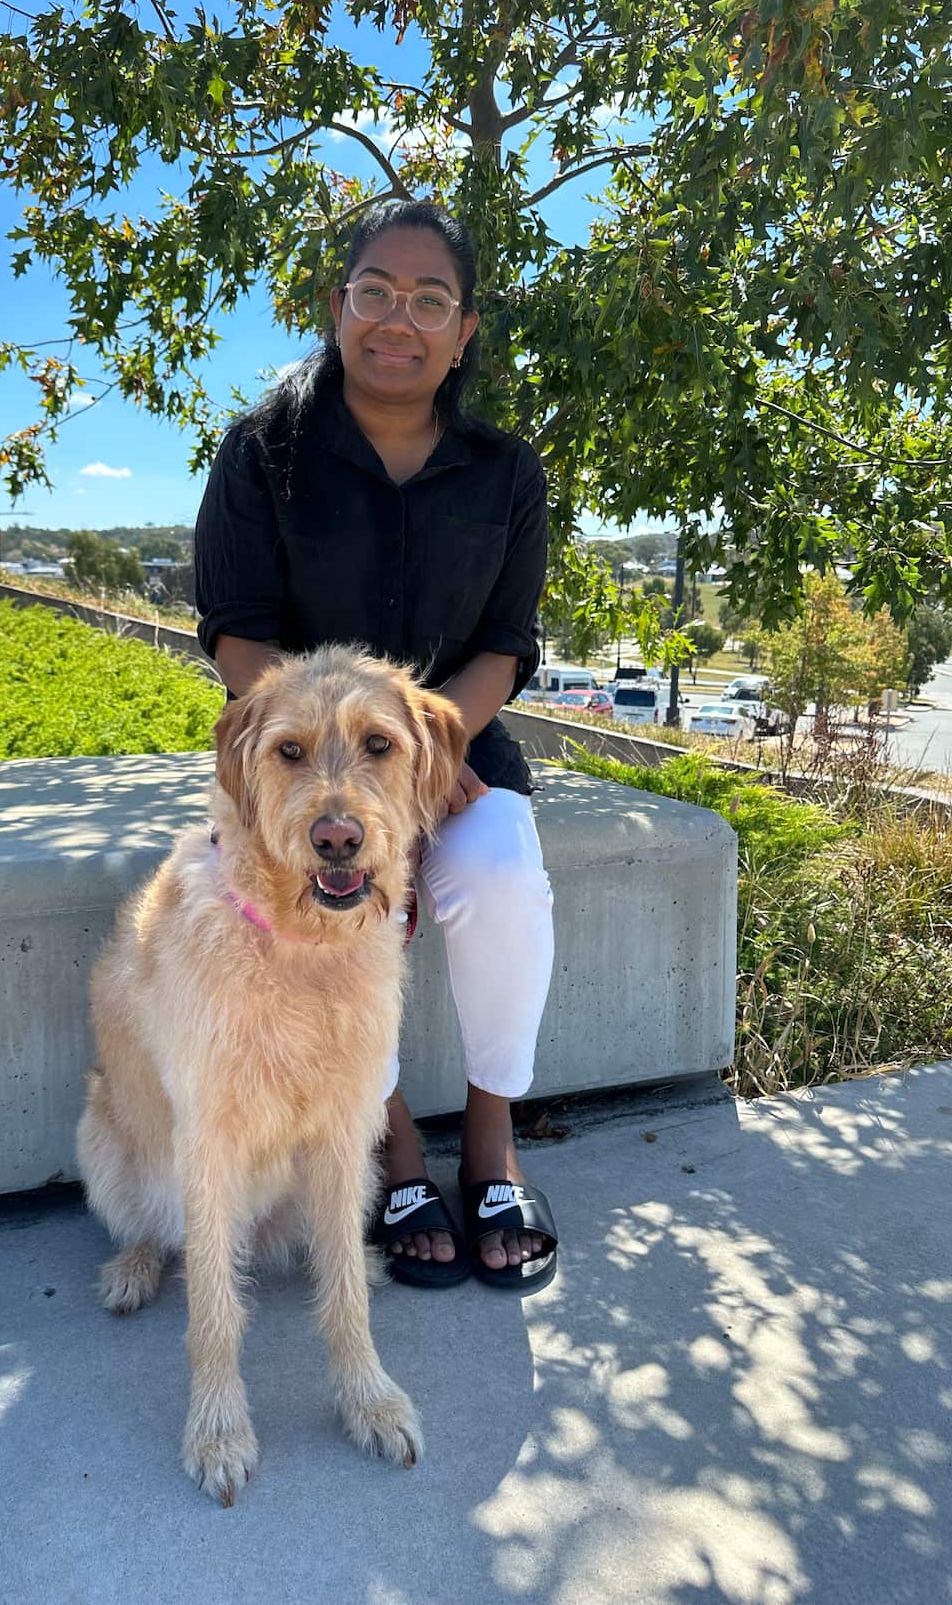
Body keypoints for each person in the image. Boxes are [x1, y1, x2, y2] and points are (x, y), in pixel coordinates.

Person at [193, 199, 558, 1293]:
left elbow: (505, 645)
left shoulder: (506, 474)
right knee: (326, 907)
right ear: (337, 306)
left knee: (498, 873)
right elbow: (238, 637)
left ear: (463, 330)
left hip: (456, 753)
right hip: (302, 767)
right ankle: (390, 1145)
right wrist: (341, 785)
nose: (398, 319)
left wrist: (428, 764)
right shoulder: (263, 451)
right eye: (375, 292)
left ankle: (489, 1142)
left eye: (429, 299)